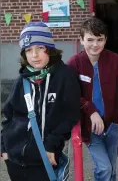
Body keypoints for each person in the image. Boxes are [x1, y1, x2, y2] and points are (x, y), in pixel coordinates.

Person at [1, 22, 81, 181]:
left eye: (40, 48)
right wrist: (4, 147)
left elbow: (70, 115)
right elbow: (8, 116)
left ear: (50, 49)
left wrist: (52, 144)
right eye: (29, 50)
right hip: (14, 160)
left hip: (45, 159)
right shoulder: (21, 80)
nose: (34, 55)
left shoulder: (64, 77)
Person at [67, 17, 118, 181]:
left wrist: (117, 118)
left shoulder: (114, 60)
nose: (95, 44)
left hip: (112, 124)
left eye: (100, 39)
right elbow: (71, 95)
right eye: (90, 39)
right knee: (104, 168)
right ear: (81, 39)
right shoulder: (74, 64)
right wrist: (90, 111)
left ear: (105, 39)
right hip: (90, 127)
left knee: (111, 169)